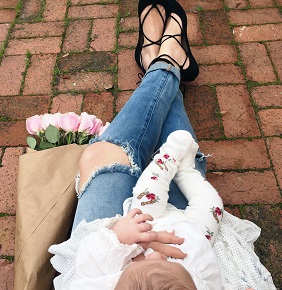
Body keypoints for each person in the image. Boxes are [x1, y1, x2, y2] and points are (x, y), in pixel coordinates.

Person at [49, 0, 276, 289]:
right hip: (193, 238)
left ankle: (162, 64)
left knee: (102, 156)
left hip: (127, 231)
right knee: (183, 165)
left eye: (145, 261)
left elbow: (88, 268)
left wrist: (117, 239)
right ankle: (166, 63)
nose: (156, 252)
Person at [68, 130, 224, 289]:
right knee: (212, 205)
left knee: (148, 192)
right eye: (164, 262)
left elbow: (89, 260)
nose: (159, 256)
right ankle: (187, 172)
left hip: (148, 226)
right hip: (193, 238)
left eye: (151, 261)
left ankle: (167, 158)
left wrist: (118, 238)